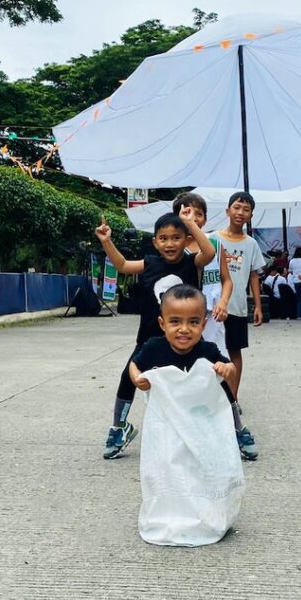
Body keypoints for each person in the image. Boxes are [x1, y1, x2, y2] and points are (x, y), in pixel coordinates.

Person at [95, 209, 216, 459]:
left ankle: (217, 428)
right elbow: (122, 265)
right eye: (163, 238)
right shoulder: (149, 263)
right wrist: (107, 241)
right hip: (149, 340)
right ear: (155, 242)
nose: (170, 243)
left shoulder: (191, 262)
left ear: (185, 240)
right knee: (127, 379)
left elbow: (210, 253)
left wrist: (191, 224)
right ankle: (119, 428)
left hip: (186, 340)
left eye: (176, 237)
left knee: (198, 382)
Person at [216, 191, 266, 460]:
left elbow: (254, 275)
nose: (240, 212)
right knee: (212, 353)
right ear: (227, 211)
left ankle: (231, 399)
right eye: (236, 207)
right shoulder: (214, 238)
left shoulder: (251, 245)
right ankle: (212, 398)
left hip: (237, 307)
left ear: (250, 215)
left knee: (235, 353)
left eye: (245, 209)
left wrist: (256, 305)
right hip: (214, 308)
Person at [129, 284, 236, 396]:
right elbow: (134, 364)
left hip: (199, 409)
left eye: (193, 322)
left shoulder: (208, 351)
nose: (184, 329)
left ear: (203, 325)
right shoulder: (153, 348)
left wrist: (227, 369)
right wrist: (137, 378)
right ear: (162, 324)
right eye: (175, 321)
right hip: (164, 411)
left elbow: (231, 368)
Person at [171, 192, 233, 358]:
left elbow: (227, 280)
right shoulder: (174, 248)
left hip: (213, 314)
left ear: (205, 219)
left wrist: (223, 302)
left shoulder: (215, 244)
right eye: (188, 212)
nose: (194, 218)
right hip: (186, 314)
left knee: (217, 360)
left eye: (199, 214)